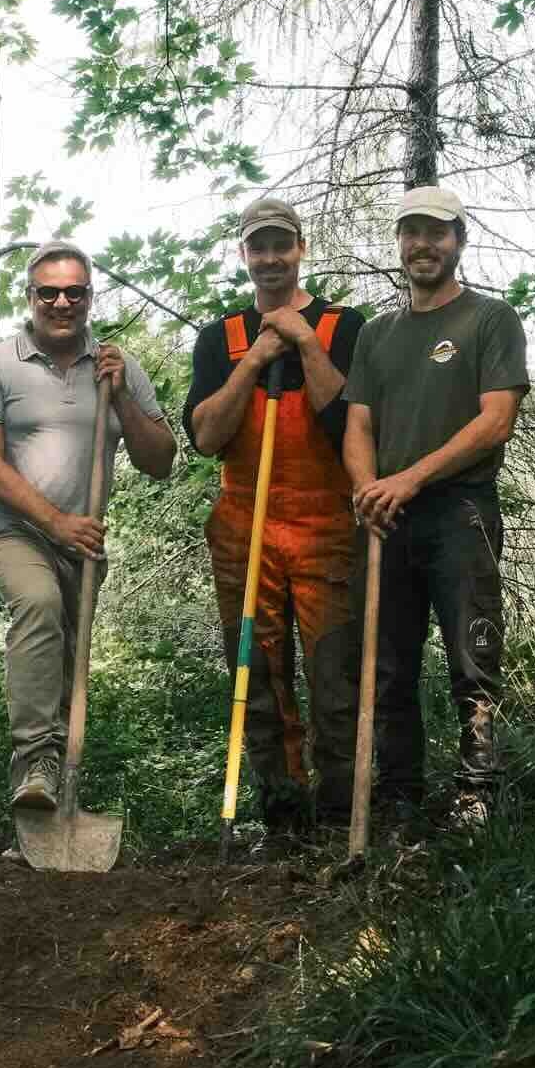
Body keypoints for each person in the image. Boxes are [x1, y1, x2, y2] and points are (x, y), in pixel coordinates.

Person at [0, 239, 177, 811]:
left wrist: (124, 394)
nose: (61, 302)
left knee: (68, 656)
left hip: (83, 536)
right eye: (48, 291)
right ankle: (35, 759)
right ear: (29, 297)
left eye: (73, 291)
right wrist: (55, 522)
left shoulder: (116, 368)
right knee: (38, 606)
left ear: (88, 297)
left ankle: (48, 799)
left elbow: (160, 460)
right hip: (12, 528)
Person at [344, 187, 530, 827]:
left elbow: (495, 420)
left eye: (437, 232)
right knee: (388, 667)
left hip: (459, 512)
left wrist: (410, 479)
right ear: (398, 243)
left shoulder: (489, 320)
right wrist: (369, 489)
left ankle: (478, 801)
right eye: (411, 232)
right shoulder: (377, 334)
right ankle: (397, 803)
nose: (423, 244)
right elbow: (359, 424)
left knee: (472, 660)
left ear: (460, 240)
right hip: (386, 518)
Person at [182, 197, 367, 831]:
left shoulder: (345, 328)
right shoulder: (222, 339)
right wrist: (256, 361)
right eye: (257, 248)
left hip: (327, 523)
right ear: (244, 255)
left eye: (280, 246)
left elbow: (346, 420)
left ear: (301, 250)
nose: (269, 259)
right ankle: (284, 815)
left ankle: (341, 815)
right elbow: (205, 437)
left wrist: (305, 345)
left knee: (335, 677)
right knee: (257, 677)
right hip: (245, 524)